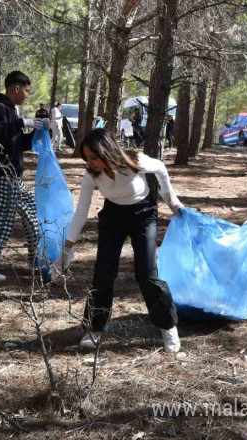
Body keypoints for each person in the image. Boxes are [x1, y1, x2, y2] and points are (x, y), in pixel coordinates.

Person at [53, 128, 184, 352]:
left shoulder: (136, 161)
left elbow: (161, 168)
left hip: (143, 215)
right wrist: (67, 249)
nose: (90, 162)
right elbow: (81, 212)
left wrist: (172, 202)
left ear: (106, 151)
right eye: (87, 158)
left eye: (94, 157)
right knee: (103, 272)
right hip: (113, 216)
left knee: (147, 274)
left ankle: (168, 327)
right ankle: (95, 326)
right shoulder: (91, 174)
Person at [0, 71, 48, 281]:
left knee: (32, 213)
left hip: (13, 174)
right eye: (26, 91)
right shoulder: (0, 108)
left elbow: (17, 142)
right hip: (4, 174)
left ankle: (36, 262)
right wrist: (24, 122)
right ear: (15, 88)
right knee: (1, 222)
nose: (27, 96)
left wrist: (37, 131)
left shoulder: (11, 111)